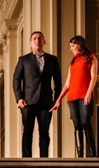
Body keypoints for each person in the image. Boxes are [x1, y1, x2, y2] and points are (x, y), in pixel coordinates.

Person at [12, 30, 62, 158]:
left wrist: (57, 99)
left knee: (44, 132)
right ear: (30, 43)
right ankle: (26, 160)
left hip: (46, 102)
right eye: (34, 39)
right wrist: (19, 98)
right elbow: (16, 80)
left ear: (44, 41)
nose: (37, 40)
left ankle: (44, 159)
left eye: (40, 38)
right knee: (28, 132)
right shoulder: (23, 60)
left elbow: (58, 81)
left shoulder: (52, 59)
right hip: (28, 102)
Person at [51, 35, 99, 158]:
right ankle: (80, 154)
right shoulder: (72, 63)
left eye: (72, 46)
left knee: (85, 122)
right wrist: (58, 100)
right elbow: (67, 84)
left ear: (79, 44)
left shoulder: (91, 58)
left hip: (84, 95)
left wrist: (89, 93)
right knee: (77, 125)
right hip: (72, 97)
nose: (70, 49)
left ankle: (93, 154)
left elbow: (94, 77)